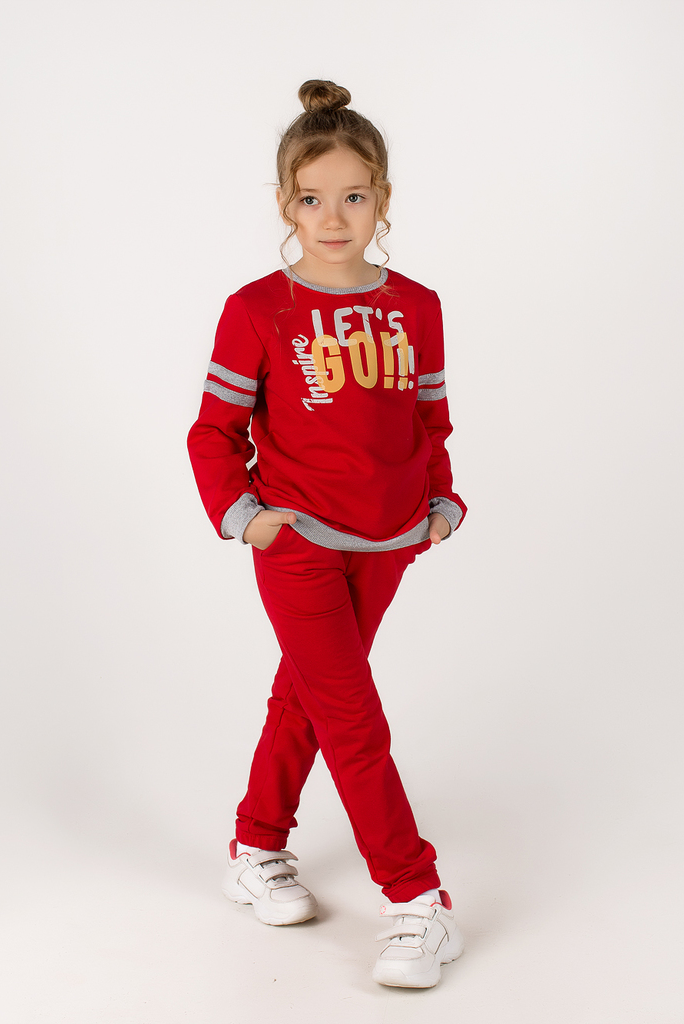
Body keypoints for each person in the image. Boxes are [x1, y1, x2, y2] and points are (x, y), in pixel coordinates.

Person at [187, 79, 467, 989]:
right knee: (352, 716)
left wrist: (440, 501)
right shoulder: (256, 309)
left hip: (390, 541)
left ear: (382, 199)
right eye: (313, 199)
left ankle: (254, 845)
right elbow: (213, 432)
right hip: (298, 539)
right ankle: (418, 898)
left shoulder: (418, 305)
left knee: (307, 697)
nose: (334, 217)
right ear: (285, 204)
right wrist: (247, 518)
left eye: (353, 195)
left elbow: (428, 421)